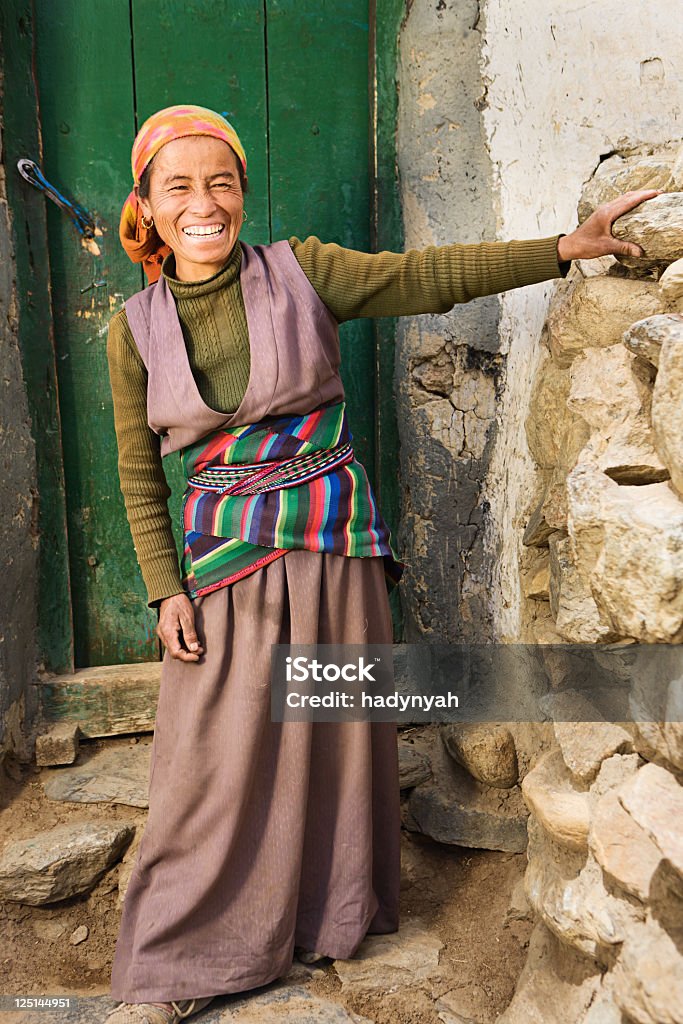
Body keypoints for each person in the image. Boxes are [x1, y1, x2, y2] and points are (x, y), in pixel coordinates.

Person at [103, 103, 659, 1024]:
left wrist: (565, 247)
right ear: (150, 208)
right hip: (227, 558)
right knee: (207, 762)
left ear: (241, 193)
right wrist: (165, 588)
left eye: (221, 183)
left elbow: (425, 276)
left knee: (331, 729)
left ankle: (324, 918)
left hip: (333, 543)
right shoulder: (133, 330)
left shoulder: (301, 273)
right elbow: (134, 472)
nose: (203, 203)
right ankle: (182, 957)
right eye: (179, 188)